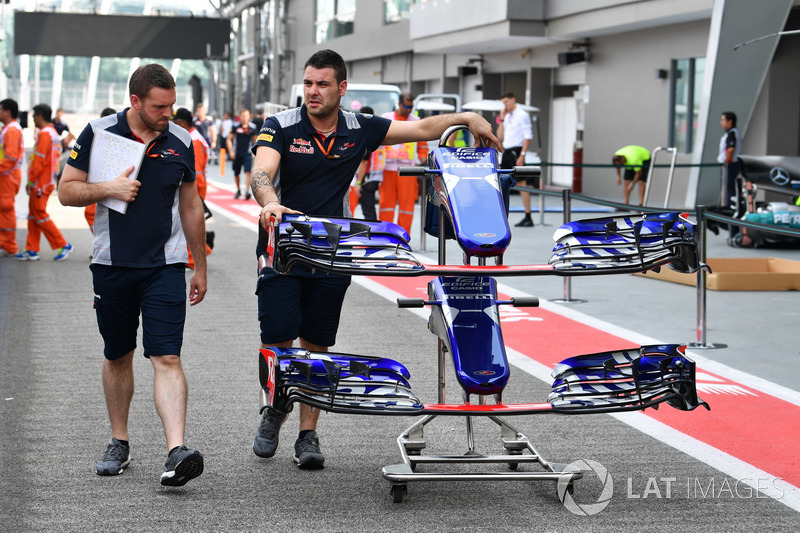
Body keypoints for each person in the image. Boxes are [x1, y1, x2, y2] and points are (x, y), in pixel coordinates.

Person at [249, 49, 500, 470]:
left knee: (317, 343)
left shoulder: (358, 128)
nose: (312, 91)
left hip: (332, 251)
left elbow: (420, 127)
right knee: (277, 341)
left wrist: (467, 118)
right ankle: (274, 408)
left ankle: (308, 435)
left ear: (341, 88)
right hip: (282, 250)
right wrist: (271, 202)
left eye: (322, 84)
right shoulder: (281, 125)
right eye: (308, 83)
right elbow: (261, 171)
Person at [58, 63, 207, 486]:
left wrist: (200, 265)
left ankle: (176, 451)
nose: (168, 113)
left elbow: (191, 205)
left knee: (167, 356)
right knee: (118, 354)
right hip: (112, 265)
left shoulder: (181, 140)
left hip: (165, 266)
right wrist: (108, 188)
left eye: (172, 105)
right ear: (136, 101)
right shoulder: (98, 132)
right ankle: (118, 440)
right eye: (160, 106)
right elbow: (65, 190)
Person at [15, 104, 73, 261]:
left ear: (40, 116)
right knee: (34, 216)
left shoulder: (45, 134)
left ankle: (63, 244)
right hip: (45, 180)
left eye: (34, 115)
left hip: (41, 182)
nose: (32, 118)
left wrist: (31, 181)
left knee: (39, 215)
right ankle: (32, 249)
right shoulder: (52, 133)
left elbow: (39, 161)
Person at [377, 93, 428, 234]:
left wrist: (423, 157)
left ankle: (403, 235)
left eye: (411, 106)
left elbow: (422, 144)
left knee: (407, 206)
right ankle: (384, 234)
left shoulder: (416, 120)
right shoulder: (386, 118)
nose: (409, 109)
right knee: (386, 204)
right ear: (399, 104)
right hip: (387, 168)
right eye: (406, 106)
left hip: (407, 170)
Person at [172, 107, 213, 269]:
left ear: (182, 123)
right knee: (192, 221)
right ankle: (204, 247)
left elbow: (194, 170)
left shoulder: (193, 141)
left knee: (188, 221)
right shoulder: (195, 138)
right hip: (198, 183)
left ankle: (191, 258)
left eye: (176, 123)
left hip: (195, 184)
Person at [497, 92, 534, 227]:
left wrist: (522, 155)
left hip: (517, 151)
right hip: (507, 151)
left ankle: (528, 215)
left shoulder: (522, 114)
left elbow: (528, 136)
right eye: (503, 102)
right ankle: (500, 215)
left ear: (513, 100)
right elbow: (500, 137)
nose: (505, 105)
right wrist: (501, 119)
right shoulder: (507, 116)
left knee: (522, 184)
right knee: (501, 182)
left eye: (506, 101)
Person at [84, 107, 118, 236]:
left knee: (92, 213)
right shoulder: (102, 133)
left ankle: (103, 243)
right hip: (102, 182)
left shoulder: (107, 135)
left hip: (105, 183)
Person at [0, 98, 23, 257]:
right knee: (4, 209)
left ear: (7, 112)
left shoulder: (11, 130)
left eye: (0, 109)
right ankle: (6, 243)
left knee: (6, 208)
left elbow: (10, 157)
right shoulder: (9, 129)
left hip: (8, 176)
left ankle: (10, 245)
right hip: (7, 175)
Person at [226, 108, 257, 200]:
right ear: (240, 116)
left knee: (248, 172)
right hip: (237, 153)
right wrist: (231, 151)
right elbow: (229, 139)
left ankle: (247, 191)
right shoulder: (235, 126)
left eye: (247, 116)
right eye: (243, 116)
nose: (245, 118)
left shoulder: (252, 127)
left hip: (247, 153)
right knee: (236, 172)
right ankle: (238, 190)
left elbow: (256, 140)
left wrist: (255, 152)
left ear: (249, 116)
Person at [718, 111, 741, 206]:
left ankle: (728, 210)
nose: (721, 122)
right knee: (729, 188)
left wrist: (726, 162)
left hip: (730, 166)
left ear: (730, 121)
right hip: (732, 165)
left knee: (728, 189)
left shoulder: (731, 133)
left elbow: (731, 149)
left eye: (723, 120)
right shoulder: (732, 133)